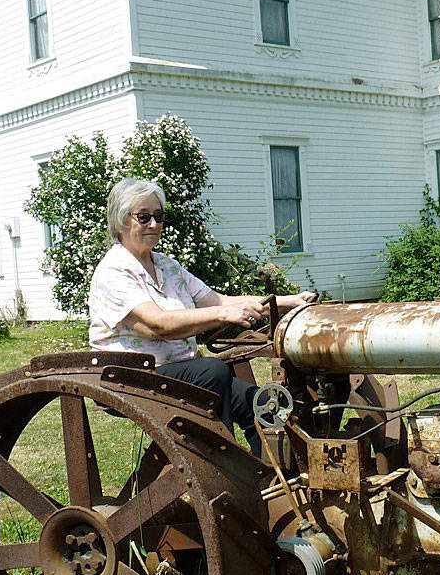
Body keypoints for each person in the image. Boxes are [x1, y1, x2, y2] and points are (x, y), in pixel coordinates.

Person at [88, 177, 317, 454]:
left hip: (179, 371)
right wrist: (223, 315)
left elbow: (219, 300)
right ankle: (226, 468)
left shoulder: (166, 265)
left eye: (158, 216)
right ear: (122, 220)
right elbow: (158, 325)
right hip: (134, 375)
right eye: (144, 217)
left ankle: (273, 483)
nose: (153, 224)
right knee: (212, 371)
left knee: (263, 404)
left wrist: (286, 302)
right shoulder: (114, 271)